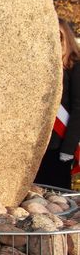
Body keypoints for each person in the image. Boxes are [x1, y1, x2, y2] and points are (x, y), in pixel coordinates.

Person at [35, 18, 80, 189]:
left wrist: (68, 149)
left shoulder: (75, 67)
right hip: (41, 142)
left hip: (60, 144)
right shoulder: (46, 68)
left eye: (59, 36)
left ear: (67, 38)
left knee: (57, 196)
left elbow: (78, 110)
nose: (56, 41)